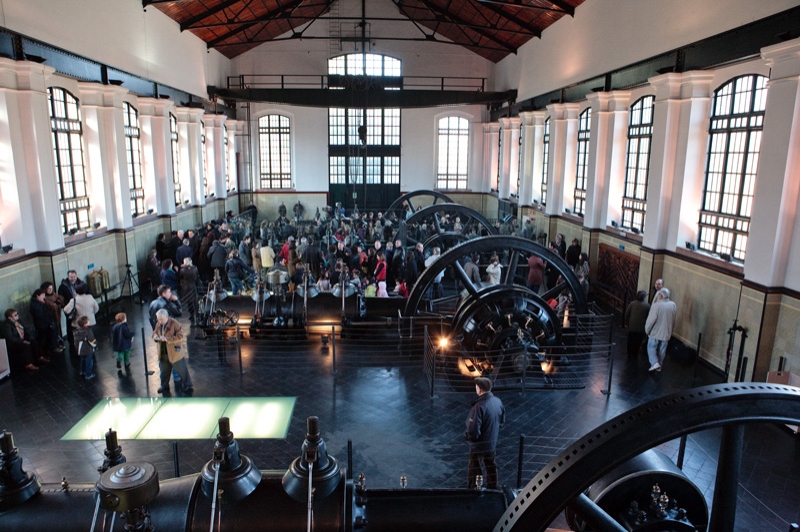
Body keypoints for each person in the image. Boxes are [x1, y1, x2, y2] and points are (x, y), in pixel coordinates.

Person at [465, 377, 505, 490]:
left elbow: (473, 430)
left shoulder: (479, 407)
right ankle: (493, 486)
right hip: (491, 442)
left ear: (480, 389)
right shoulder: (498, 401)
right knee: (491, 465)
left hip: (478, 445)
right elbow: (501, 421)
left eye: (476, 387)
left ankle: (474, 487)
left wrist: (468, 437)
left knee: (475, 467)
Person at [151, 308, 193, 394]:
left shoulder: (175, 324)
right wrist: (156, 337)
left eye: (161, 319)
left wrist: (167, 339)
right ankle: (164, 385)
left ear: (167, 317)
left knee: (182, 370)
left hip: (174, 353)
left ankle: (187, 385)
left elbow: (180, 336)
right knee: (164, 371)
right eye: (158, 319)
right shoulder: (159, 324)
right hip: (163, 352)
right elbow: (154, 333)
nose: (159, 321)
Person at [645, 287, 677, 372]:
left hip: (655, 332)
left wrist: (647, 330)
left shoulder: (656, 305)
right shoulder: (673, 305)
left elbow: (651, 320)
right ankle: (659, 366)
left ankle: (655, 363)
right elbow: (673, 319)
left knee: (651, 347)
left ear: (660, 296)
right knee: (662, 350)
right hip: (666, 332)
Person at [30, 289, 59, 354]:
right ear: (37, 296)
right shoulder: (35, 305)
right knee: (44, 339)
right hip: (42, 325)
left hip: (46, 323)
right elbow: (41, 315)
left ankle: (52, 348)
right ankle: (47, 351)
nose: (44, 296)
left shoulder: (41, 303)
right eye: (42, 295)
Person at [624, 290, 650, 359]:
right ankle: (635, 353)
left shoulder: (632, 304)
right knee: (638, 341)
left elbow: (627, 313)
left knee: (630, 339)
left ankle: (629, 352)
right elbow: (648, 317)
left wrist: (626, 323)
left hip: (632, 326)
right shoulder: (647, 306)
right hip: (641, 327)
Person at [73, 315, 96, 379]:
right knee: (89, 361)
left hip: (79, 349)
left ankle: (82, 371)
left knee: (82, 360)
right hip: (87, 349)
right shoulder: (88, 331)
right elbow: (92, 340)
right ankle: (88, 374)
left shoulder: (76, 331)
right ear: (85, 323)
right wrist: (95, 345)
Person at [179, 258, 200, 325]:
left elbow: (180, 277)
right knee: (195, 302)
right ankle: (197, 315)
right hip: (193, 286)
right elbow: (197, 277)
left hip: (186, 287)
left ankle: (191, 316)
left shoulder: (182, 270)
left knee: (189, 302)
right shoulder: (195, 268)